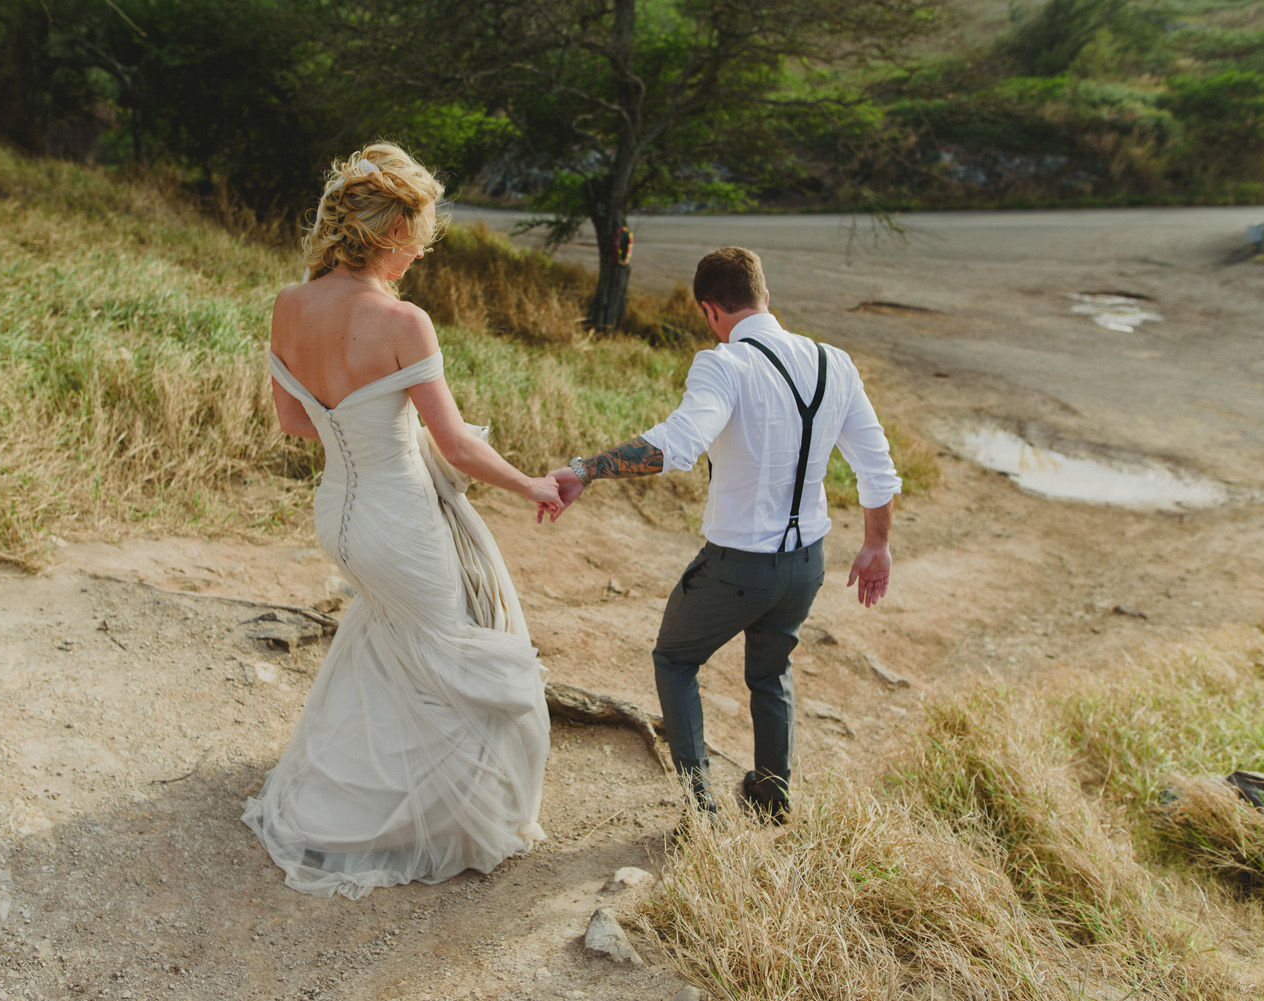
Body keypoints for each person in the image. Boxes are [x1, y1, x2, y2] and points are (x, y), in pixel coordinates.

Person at [243, 143, 563, 898]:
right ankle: (431, 822)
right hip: (398, 520)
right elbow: (455, 444)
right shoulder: (401, 320)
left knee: (392, 650)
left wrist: (355, 425)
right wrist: (533, 484)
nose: (422, 251)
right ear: (389, 232)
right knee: (455, 662)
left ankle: (353, 795)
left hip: (339, 515)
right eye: (418, 234)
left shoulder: (291, 304)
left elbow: (293, 419)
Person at [550, 247, 900, 823]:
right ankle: (772, 797)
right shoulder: (835, 361)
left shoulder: (724, 364)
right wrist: (877, 544)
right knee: (771, 670)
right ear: (766, 297)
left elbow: (676, 446)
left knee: (674, 659)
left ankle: (700, 806)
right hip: (807, 563)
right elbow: (878, 468)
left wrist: (587, 468)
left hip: (736, 567)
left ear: (710, 310)